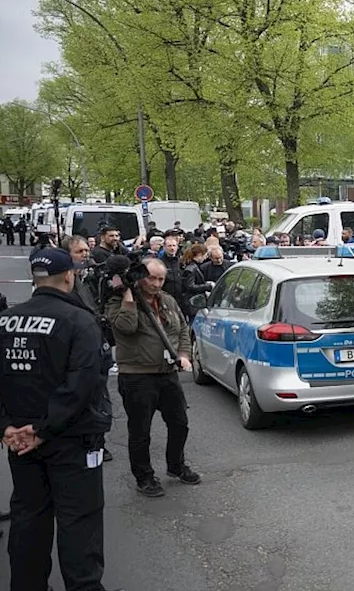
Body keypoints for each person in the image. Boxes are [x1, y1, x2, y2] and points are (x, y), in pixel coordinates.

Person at [0, 249, 112, 591]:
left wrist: (7, 426)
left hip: (20, 441)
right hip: (71, 440)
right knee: (79, 522)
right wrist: (44, 429)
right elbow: (82, 384)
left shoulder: (5, 320)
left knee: (28, 517)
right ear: (69, 276)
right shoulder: (79, 321)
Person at [105, 258, 200, 498]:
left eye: (161, 279)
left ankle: (176, 465)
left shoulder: (166, 300)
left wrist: (183, 354)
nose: (157, 284)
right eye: (152, 278)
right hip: (136, 377)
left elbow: (181, 329)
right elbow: (126, 327)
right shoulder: (118, 302)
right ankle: (144, 476)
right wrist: (128, 294)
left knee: (179, 423)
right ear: (139, 277)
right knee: (140, 432)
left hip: (167, 375)